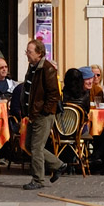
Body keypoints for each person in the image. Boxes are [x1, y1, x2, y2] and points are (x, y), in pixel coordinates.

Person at [22, 39, 67, 190]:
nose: (27, 55)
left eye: (29, 52)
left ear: (39, 53)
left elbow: (54, 93)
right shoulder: (33, 67)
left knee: (36, 147)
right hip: (33, 113)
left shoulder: (47, 69)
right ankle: (58, 164)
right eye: (27, 51)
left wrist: (45, 111)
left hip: (42, 114)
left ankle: (38, 180)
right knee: (29, 145)